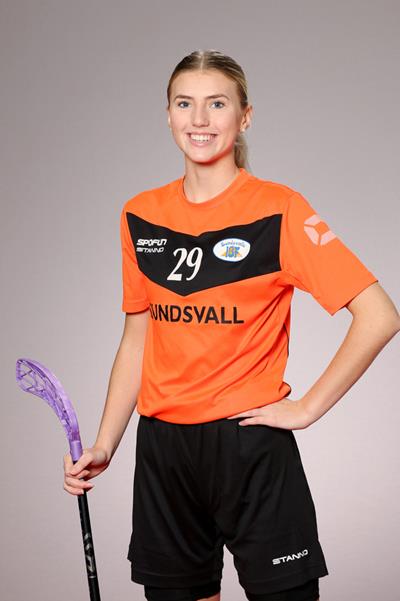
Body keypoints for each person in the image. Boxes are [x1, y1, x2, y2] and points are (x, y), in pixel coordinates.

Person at [63, 50, 400, 601]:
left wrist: (307, 408)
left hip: (250, 446)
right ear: (168, 115)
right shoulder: (139, 215)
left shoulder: (279, 209)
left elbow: (380, 315)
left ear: (244, 116)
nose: (199, 119)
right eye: (185, 104)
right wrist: (105, 444)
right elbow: (137, 340)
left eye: (217, 104)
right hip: (164, 451)